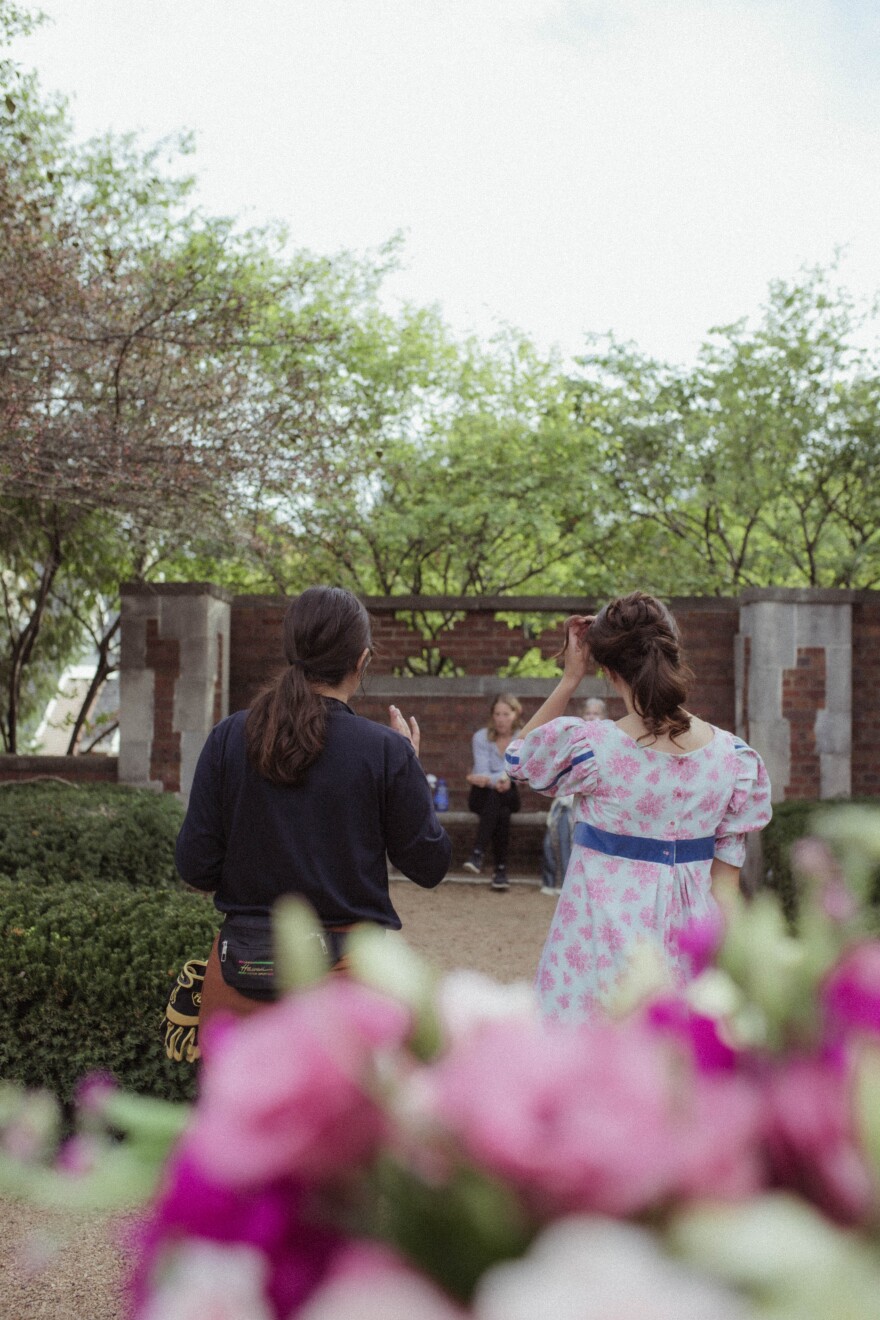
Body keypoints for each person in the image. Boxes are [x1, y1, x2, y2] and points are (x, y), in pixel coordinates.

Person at [175, 586, 451, 1028]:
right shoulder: (385, 751)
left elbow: (195, 867)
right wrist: (410, 768)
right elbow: (429, 865)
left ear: (292, 651)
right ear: (361, 660)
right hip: (347, 986)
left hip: (241, 981)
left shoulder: (229, 737)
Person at [505, 592, 772, 1022]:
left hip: (600, 950)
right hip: (692, 952)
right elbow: (726, 891)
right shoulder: (734, 760)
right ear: (671, 654)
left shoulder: (593, 749)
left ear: (608, 672)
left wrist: (571, 678)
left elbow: (519, 759)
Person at [540, 697, 608, 896]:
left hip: (598, 800)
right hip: (570, 797)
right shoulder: (574, 740)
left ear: (605, 717)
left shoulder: (609, 740)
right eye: (588, 713)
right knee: (561, 818)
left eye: (596, 714)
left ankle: (581, 882)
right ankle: (557, 879)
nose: (591, 717)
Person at [462, 692, 523, 892]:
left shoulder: (521, 737)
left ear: (515, 714)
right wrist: (503, 778)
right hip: (481, 796)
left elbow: (522, 772)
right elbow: (481, 770)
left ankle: (478, 853)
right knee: (501, 811)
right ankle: (500, 871)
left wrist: (504, 779)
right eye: (497, 714)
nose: (501, 719)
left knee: (502, 800)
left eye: (506, 714)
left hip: (510, 793)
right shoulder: (480, 737)